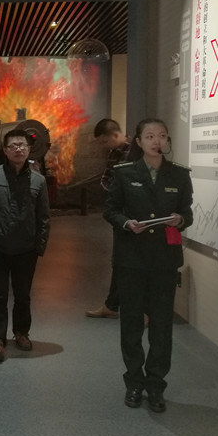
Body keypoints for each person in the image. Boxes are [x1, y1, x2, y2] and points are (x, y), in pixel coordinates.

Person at [104, 118, 193, 413]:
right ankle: (133, 382)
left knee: (161, 325)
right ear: (139, 141)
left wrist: (180, 220)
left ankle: (155, 385)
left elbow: (187, 212)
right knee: (131, 324)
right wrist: (127, 223)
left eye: (162, 136)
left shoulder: (179, 175)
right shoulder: (124, 172)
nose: (157, 141)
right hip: (131, 258)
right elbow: (110, 210)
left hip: (164, 261)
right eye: (151, 136)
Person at [0, 129, 50, 364]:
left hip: (26, 249)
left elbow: (44, 216)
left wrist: (39, 245)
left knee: (23, 295)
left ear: (29, 149)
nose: (18, 149)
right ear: (5, 151)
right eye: (13, 146)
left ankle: (21, 332)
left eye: (22, 145)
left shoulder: (38, 180)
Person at [85, 118, 132, 319]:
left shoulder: (134, 152)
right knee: (119, 260)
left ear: (115, 135)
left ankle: (129, 307)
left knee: (129, 262)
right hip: (120, 214)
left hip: (132, 214)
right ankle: (112, 305)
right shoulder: (114, 153)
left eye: (104, 141)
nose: (104, 146)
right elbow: (106, 179)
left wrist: (118, 192)